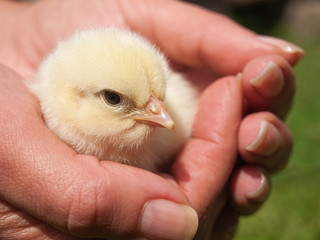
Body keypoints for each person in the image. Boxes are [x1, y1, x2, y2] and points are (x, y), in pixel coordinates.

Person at [0, 0, 303, 239]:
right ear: (73, 98)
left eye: (160, 96)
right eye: (115, 99)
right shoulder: (49, 110)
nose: (164, 115)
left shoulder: (170, 107)